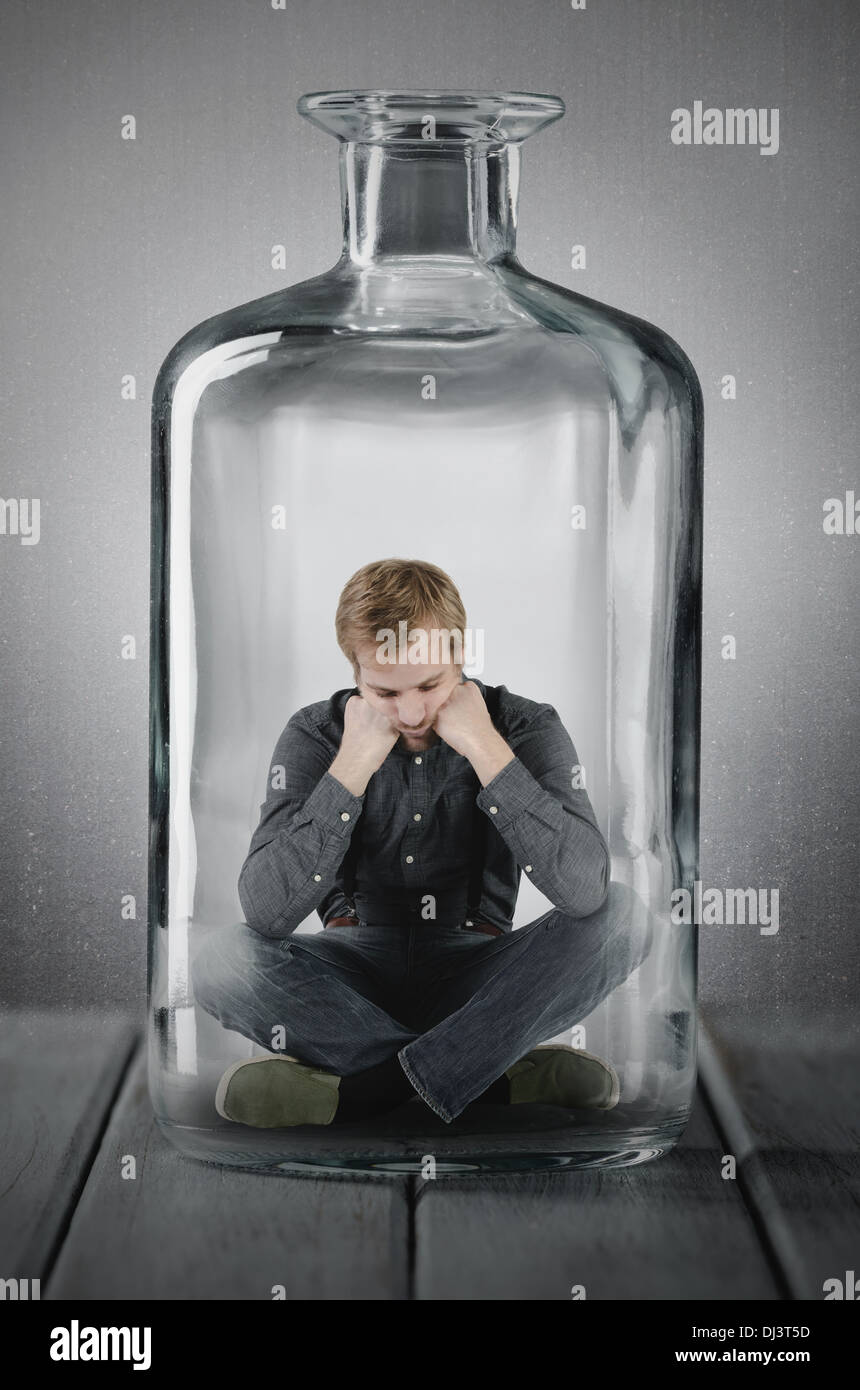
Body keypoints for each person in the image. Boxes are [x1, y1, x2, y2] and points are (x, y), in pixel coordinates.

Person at [191, 558, 654, 1128]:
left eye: (431, 685)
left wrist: (486, 748)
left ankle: (367, 1091)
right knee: (219, 961)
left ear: (460, 657)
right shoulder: (314, 734)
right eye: (384, 691)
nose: (411, 714)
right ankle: (489, 1078)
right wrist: (353, 763)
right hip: (347, 981)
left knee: (625, 918)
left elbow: (585, 893)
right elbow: (264, 912)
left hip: (481, 973)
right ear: (354, 671)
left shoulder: (525, 726)